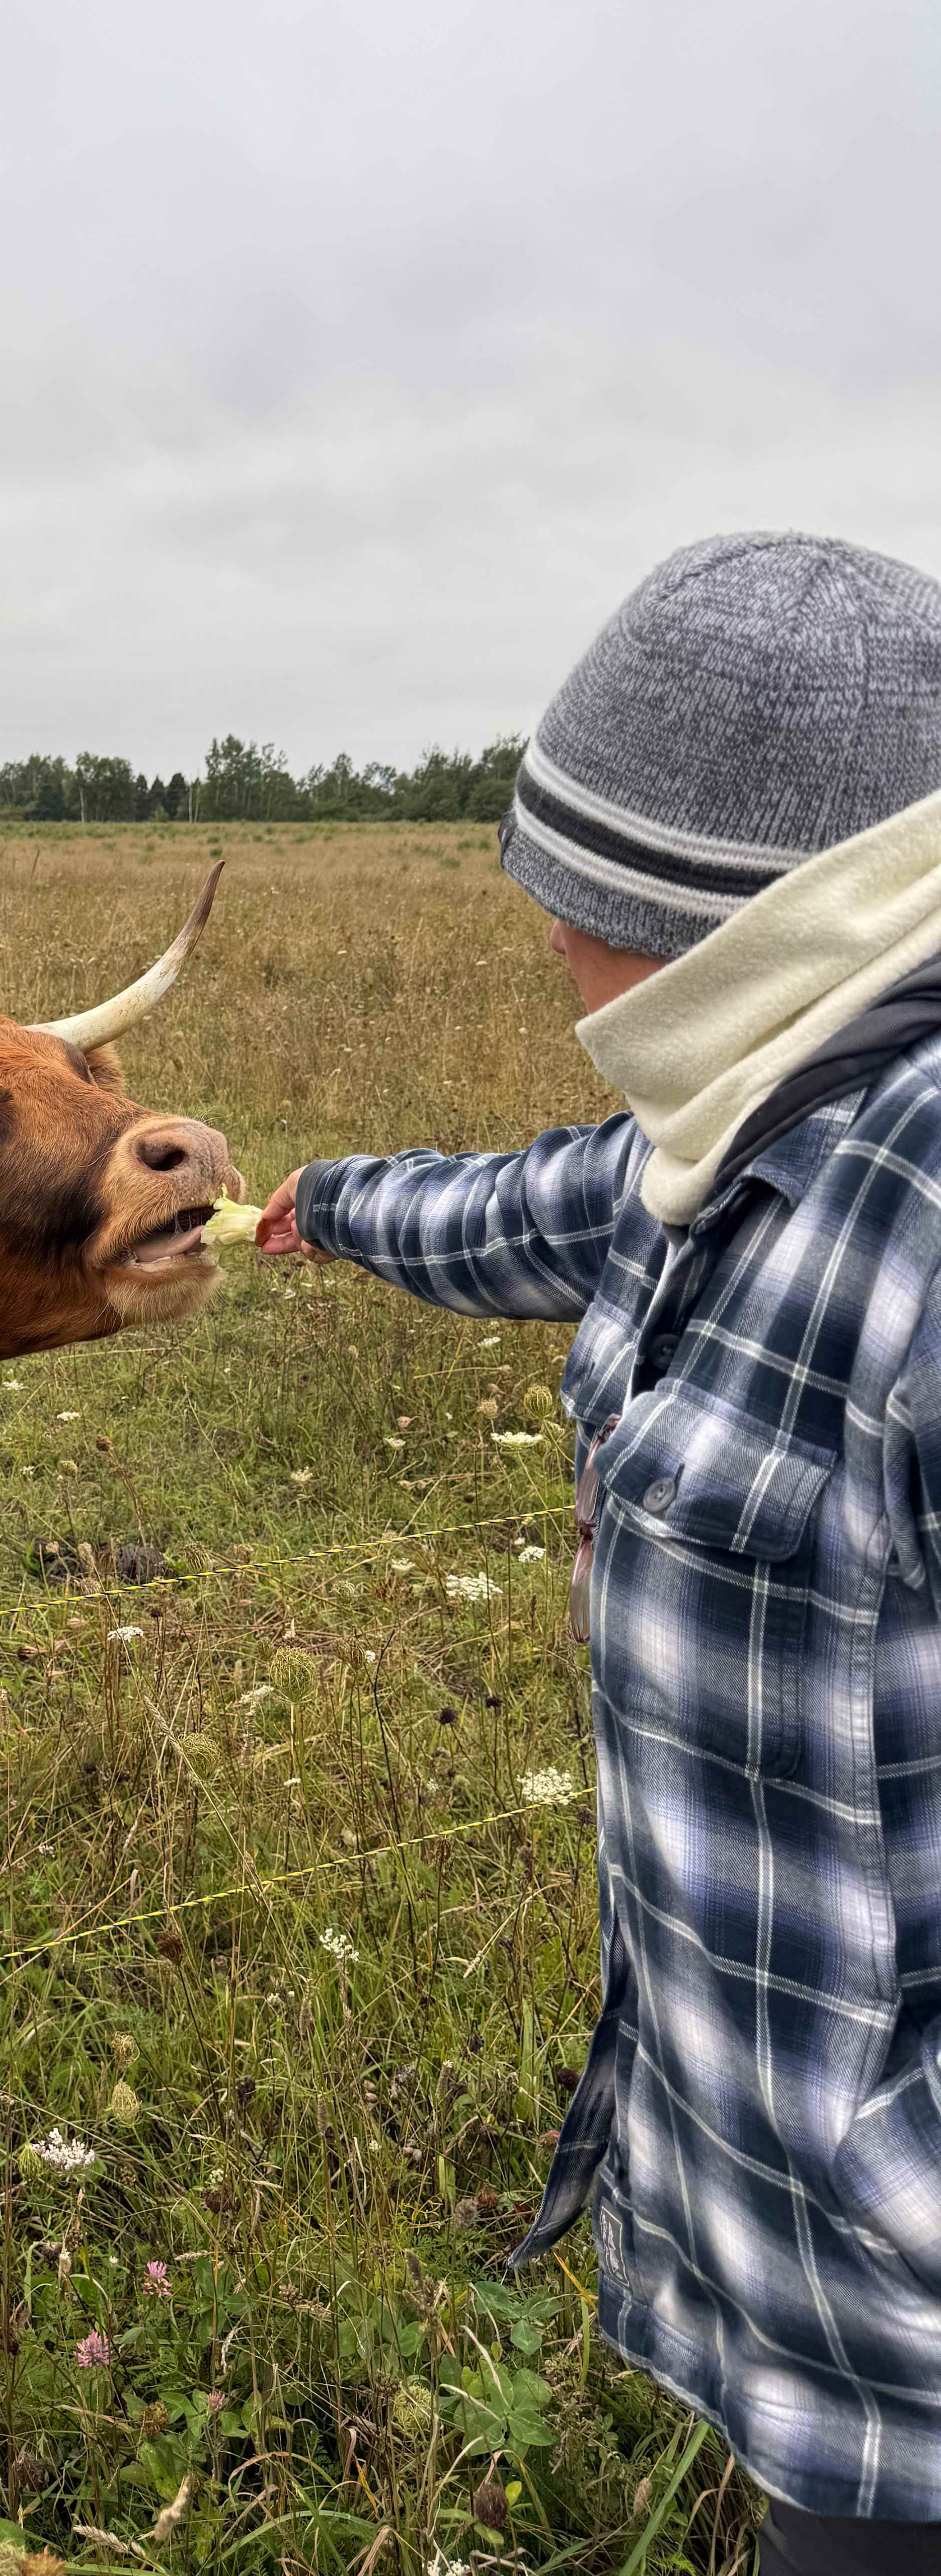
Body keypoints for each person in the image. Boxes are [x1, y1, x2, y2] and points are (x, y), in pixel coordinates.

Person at [259, 532, 941, 2573]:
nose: (545, 942)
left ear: (693, 917)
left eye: (566, 895)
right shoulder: (753, 1124)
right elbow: (563, 1206)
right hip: (816, 2291)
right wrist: (316, 1202)